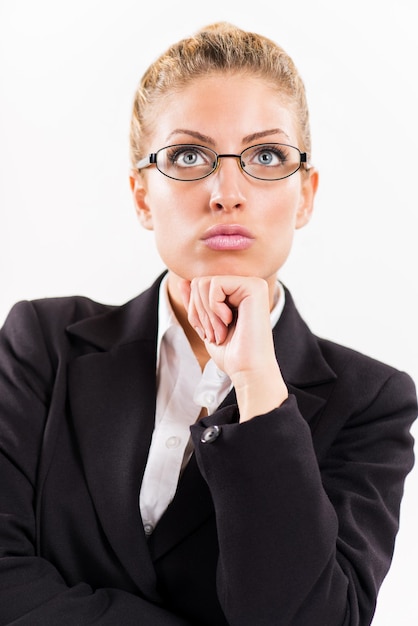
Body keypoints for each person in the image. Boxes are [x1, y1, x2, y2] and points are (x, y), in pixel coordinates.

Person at [0, 22, 416, 626]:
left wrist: (258, 385)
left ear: (305, 195)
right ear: (143, 195)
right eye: (189, 156)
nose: (227, 191)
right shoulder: (42, 343)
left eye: (267, 156)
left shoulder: (371, 402)